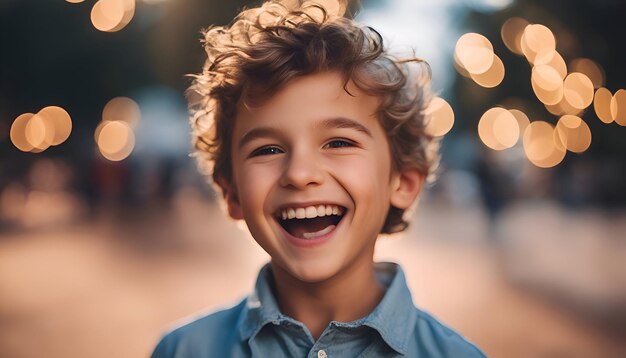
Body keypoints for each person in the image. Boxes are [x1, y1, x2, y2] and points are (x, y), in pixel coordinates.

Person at [152, 0, 486, 356]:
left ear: (402, 182)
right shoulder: (181, 350)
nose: (299, 174)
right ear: (231, 193)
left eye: (339, 142)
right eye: (267, 149)